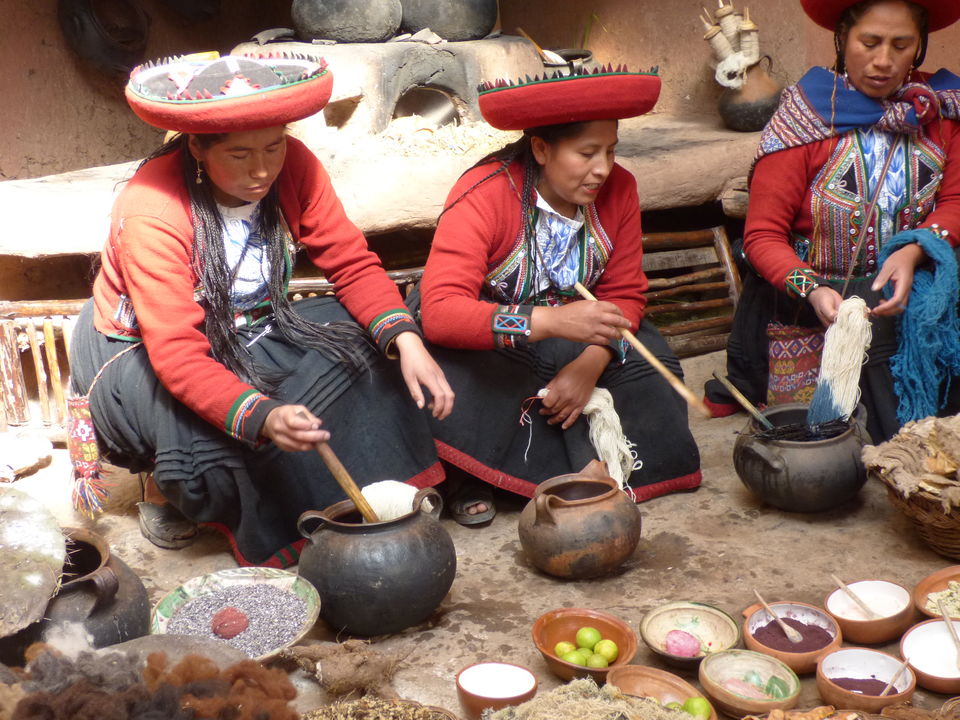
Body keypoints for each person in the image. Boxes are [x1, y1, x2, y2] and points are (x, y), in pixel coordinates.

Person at [69, 53, 454, 566]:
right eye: (239, 154)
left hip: (249, 324)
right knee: (208, 449)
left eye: (274, 146)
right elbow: (179, 354)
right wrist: (263, 415)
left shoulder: (295, 166)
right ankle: (165, 486)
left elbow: (351, 263)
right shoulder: (153, 210)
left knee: (366, 346)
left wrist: (407, 341)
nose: (262, 169)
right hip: (141, 351)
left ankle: (344, 487)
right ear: (197, 147)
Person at [415, 66, 703, 523]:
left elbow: (625, 294)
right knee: (456, 381)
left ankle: (580, 468)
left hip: (585, 336)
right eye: (587, 153)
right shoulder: (485, 195)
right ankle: (485, 474)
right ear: (542, 149)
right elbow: (443, 313)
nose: (602, 169)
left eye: (610, 151)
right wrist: (548, 323)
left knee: (654, 370)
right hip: (498, 341)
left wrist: (591, 362)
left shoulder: (620, 188)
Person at [703, 0, 960, 442]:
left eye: (901, 45)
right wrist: (814, 290)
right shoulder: (806, 117)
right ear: (842, 39)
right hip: (821, 298)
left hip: (916, 284)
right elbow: (763, 235)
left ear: (919, 49)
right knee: (880, 428)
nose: (883, 60)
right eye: (869, 42)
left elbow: (955, 200)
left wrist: (914, 251)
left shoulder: (940, 110)